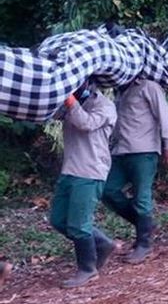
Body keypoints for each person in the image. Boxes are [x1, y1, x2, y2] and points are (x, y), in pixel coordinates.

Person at [49, 81, 117, 288]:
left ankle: (88, 269)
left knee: (79, 224)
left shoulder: (105, 105)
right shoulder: (74, 101)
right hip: (70, 168)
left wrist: (70, 100)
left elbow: (85, 123)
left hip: (90, 170)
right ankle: (102, 243)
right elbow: (53, 115)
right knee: (58, 220)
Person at [102, 77, 168, 264]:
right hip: (121, 150)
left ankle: (144, 243)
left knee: (141, 197)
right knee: (107, 190)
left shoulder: (149, 87)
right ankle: (145, 225)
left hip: (144, 151)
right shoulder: (119, 90)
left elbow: (164, 115)